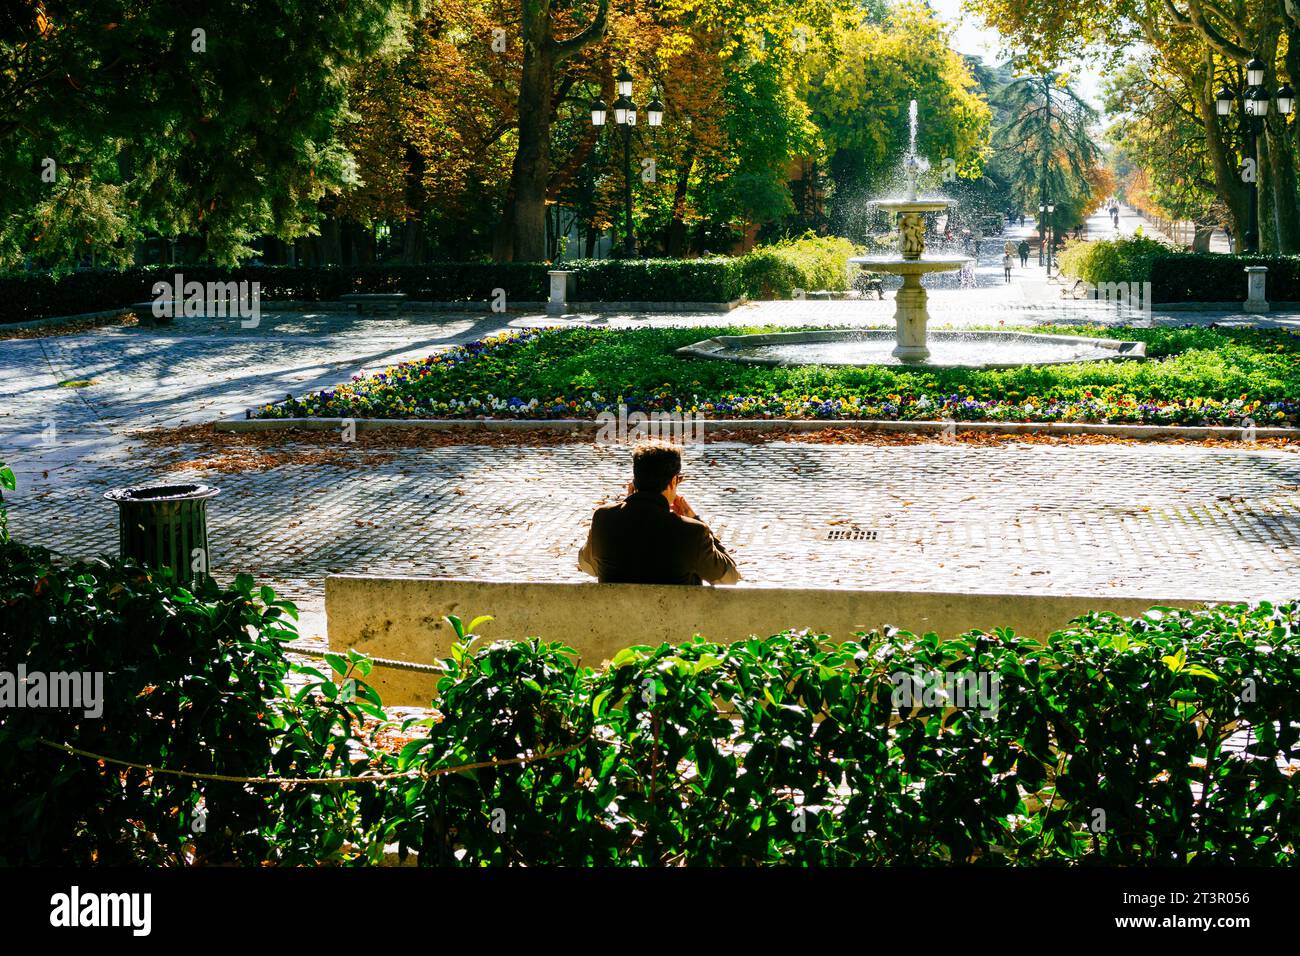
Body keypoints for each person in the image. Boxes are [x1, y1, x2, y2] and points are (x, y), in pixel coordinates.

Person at [578, 440, 740, 586]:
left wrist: (627, 504)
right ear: (672, 481)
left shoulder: (604, 518)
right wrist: (697, 520)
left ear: (634, 481)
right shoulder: (692, 532)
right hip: (677, 619)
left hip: (616, 617)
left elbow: (587, 566)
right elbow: (730, 577)